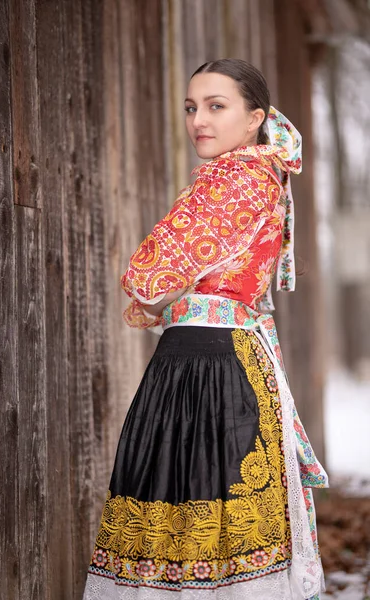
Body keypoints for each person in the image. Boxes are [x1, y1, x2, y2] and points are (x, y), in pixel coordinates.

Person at [83, 58, 328, 600]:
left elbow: (148, 276)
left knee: (189, 517)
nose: (199, 120)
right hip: (226, 357)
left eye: (217, 107)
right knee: (200, 522)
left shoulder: (235, 178)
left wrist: (158, 294)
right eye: (192, 107)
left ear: (253, 118)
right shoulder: (260, 175)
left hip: (210, 369)